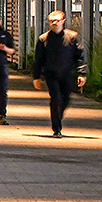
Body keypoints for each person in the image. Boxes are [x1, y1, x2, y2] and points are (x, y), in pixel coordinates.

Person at [33, 10, 87, 138]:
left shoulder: (73, 37)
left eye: (57, 20)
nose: (54, 23)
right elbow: (38, 59)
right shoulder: (43, 39)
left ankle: (58, 116)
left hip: (68, 74)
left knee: (66, 99)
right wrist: (36, 77)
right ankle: (56, 128)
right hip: (51, 75)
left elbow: (80, 56)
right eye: (52, 21)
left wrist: (82, 73)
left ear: (63, 21)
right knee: (56, 98)